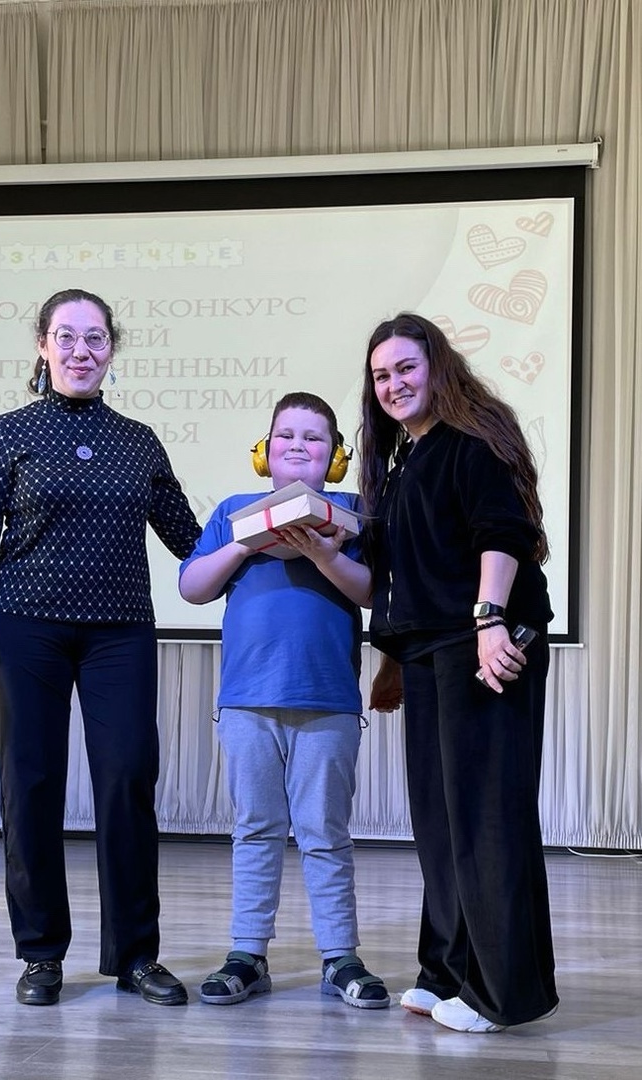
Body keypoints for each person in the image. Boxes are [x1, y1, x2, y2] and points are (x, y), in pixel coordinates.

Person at [0, 287, 201, 1008]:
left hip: (120, 631)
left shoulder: (138, 440)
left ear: (112, 350)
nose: (81, 351)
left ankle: (135, 956)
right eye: (66, 337)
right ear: (43, 346)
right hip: (25, 629)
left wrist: (269, 530)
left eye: (95, 339)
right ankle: (41, 953)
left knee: (127, 778)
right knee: (31, 783)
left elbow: (190, 538)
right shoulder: (7, 433)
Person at [360, 312, 558, 1033]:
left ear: (437, 366)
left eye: (405, 368)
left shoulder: (474, 437)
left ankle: (499, 995)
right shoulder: (403, 459)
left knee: (485, 817)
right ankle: (445, 970)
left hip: (481, 645)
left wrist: (488, 620)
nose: (393, 384)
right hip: (429, 654)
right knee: (440, 821)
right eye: (381, 375)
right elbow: (409, 574)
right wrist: (393, 659)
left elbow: (502, 533)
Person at [179, 392, 390, 1010]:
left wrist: (324, 552)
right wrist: (247, 542)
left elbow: (374, 593)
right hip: (247, 700)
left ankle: (340, 956)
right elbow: (193, 587)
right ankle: (248, 953)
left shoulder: (354, 514)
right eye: (285, 436)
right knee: (256, 829)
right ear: (263, 452)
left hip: (328, 701)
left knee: (325, 832)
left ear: (336, 457)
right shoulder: (232, 512)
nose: (298, 446)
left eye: (314, 438)